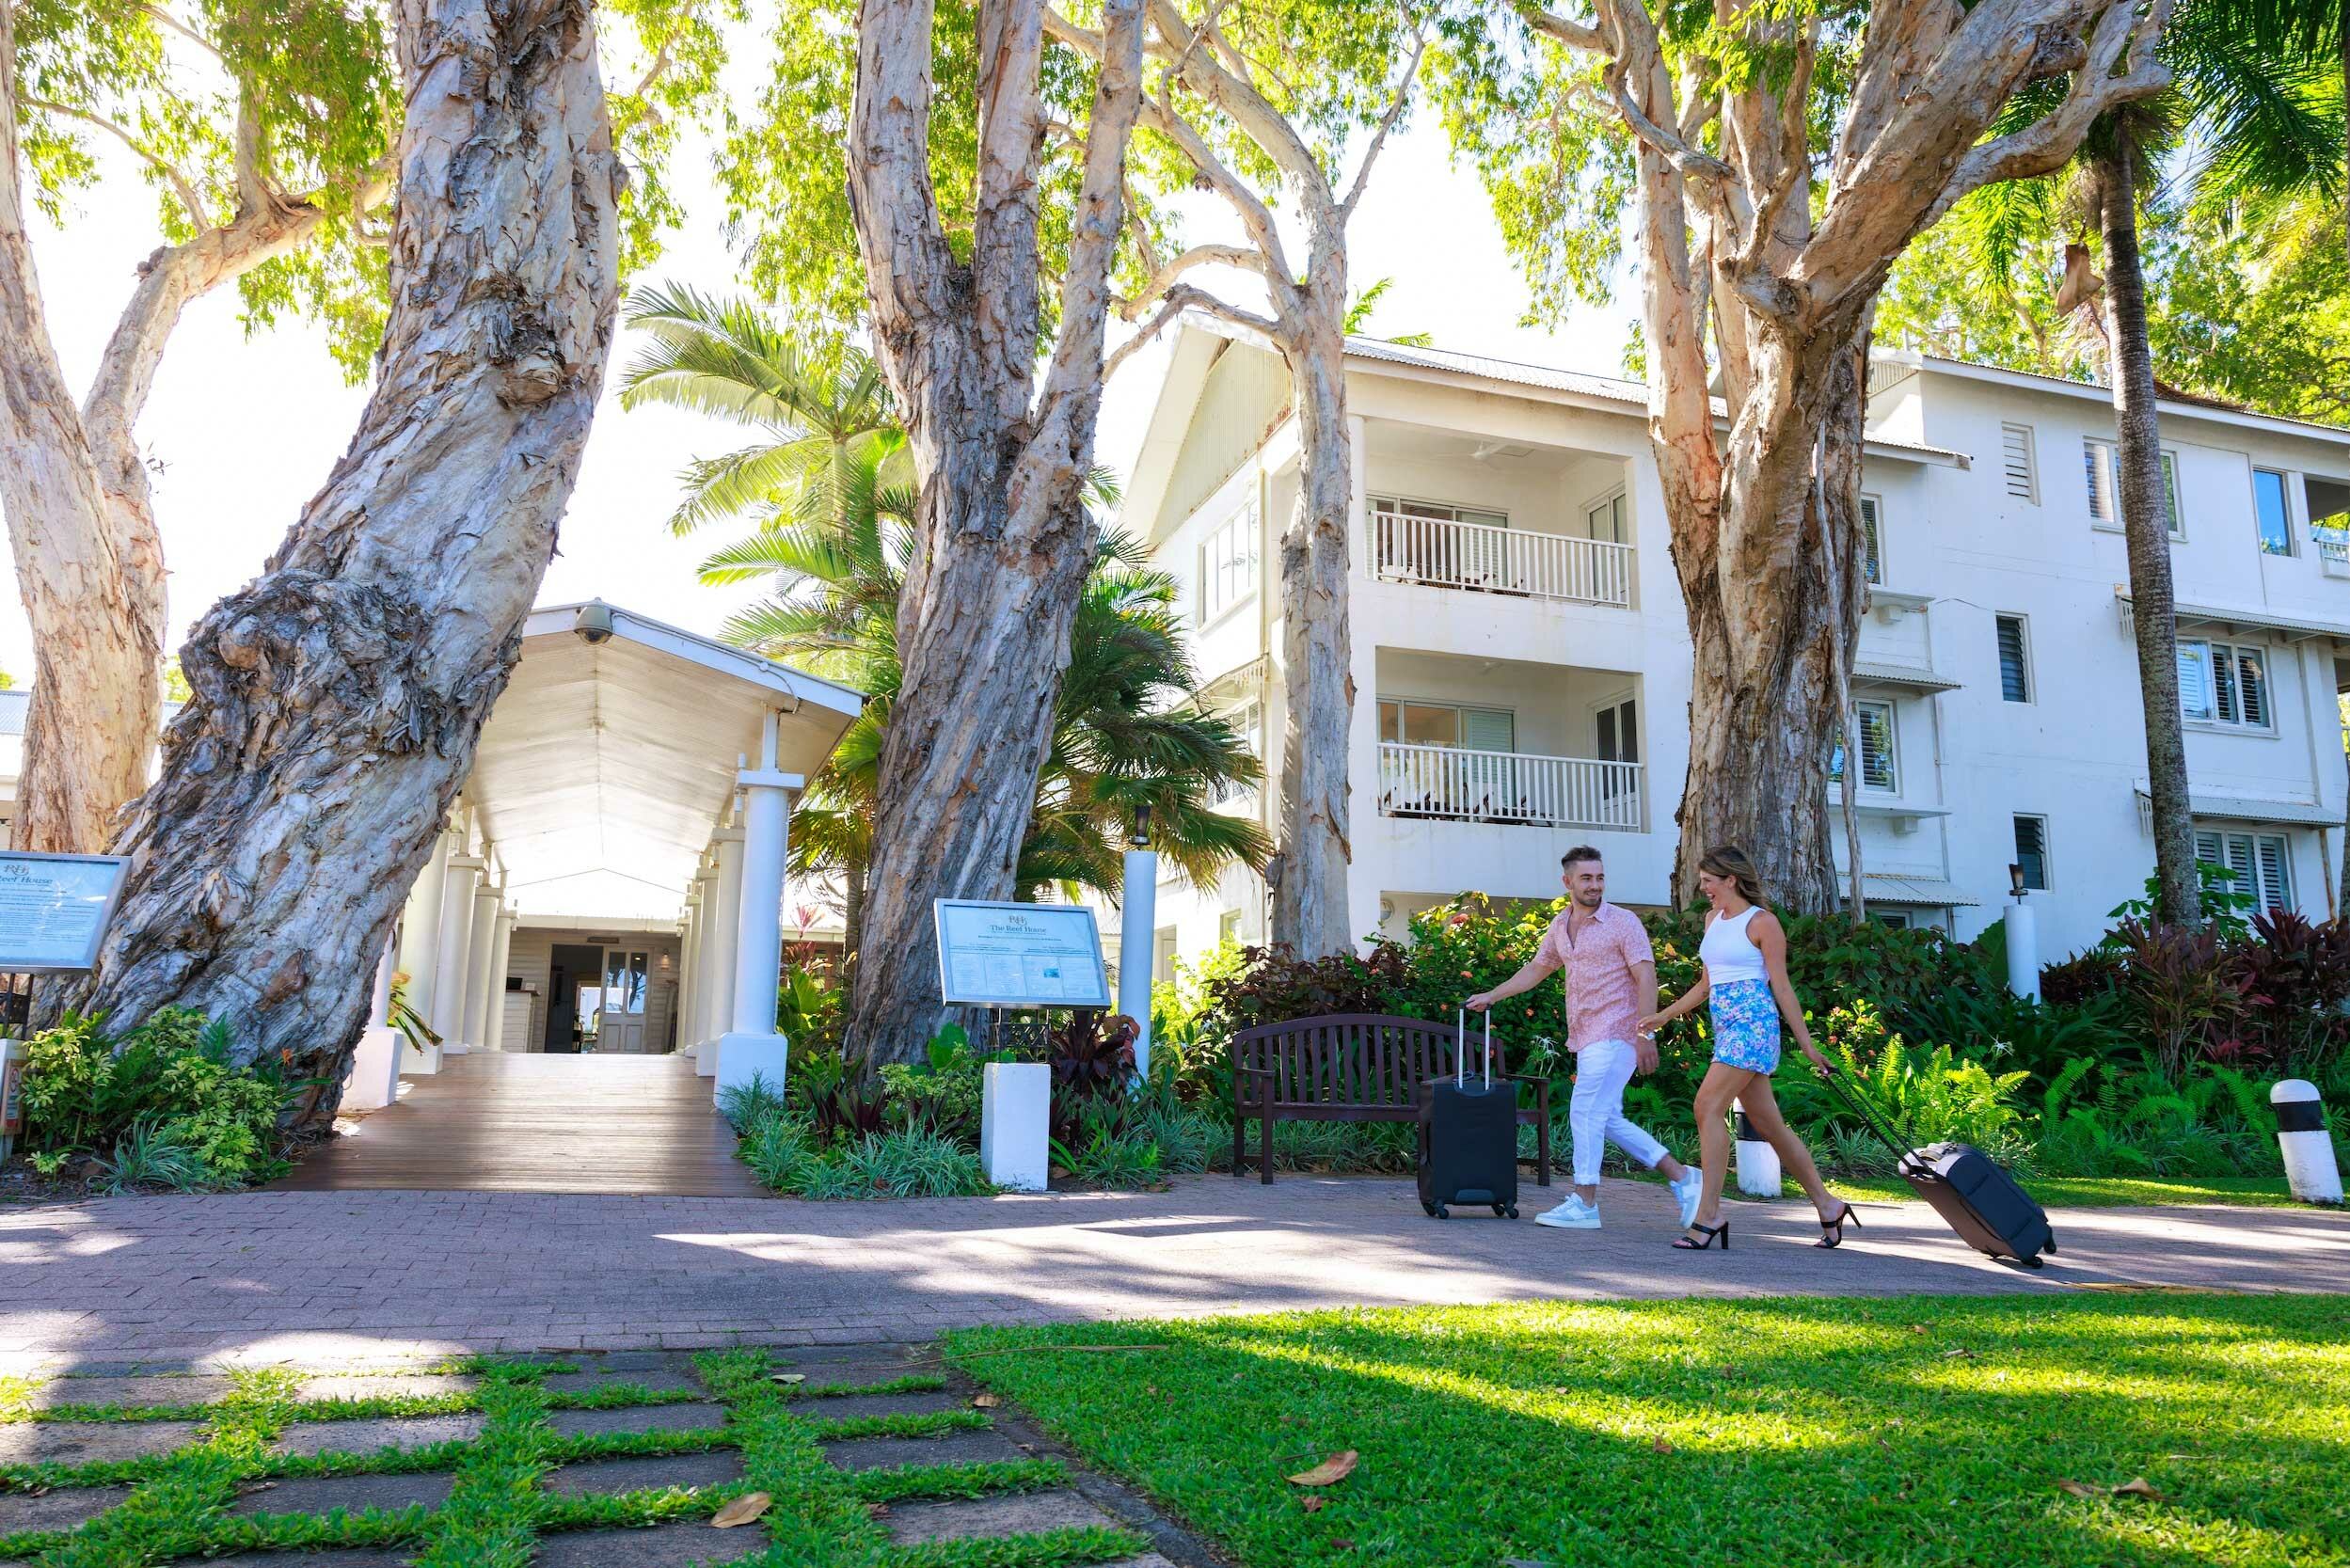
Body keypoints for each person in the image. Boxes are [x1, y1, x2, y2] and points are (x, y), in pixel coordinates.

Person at [1633, 845, 1861, 1251]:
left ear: (1731, 879)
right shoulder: (1712, 920)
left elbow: (1782, 987)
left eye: (1708, 881)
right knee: (1770, 1125)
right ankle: (1828, 1205)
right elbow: (1706, 985)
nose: (1703, 889)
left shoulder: (1763, 923)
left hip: (1754, 1025)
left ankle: (1709, 1215)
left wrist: (1808, 1046)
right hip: (1727, 1026)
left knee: (1706, 1107)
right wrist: (1664, 1015)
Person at [1468, 847, 1704, 1231]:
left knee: (1584, 1110)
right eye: (1586, 878)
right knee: (1606, 1117)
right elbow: (1538, 967)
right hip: (1586, 1034)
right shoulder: (1561, 926)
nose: (1595, 885)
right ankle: (1683, 1176)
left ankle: (1585, 1201)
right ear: (1567, 882)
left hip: (1617, 1030)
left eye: (1599, 878)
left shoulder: (1623, 922)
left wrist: (1645, 1031)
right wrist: (1493, 995)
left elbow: (1646, 976)